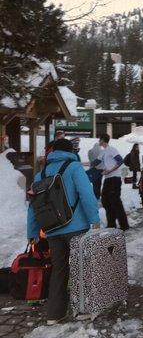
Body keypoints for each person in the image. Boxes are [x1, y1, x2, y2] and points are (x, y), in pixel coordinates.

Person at [27, 138, 100, 325]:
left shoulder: (40, 175)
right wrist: (95, 220)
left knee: (59, 270)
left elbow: (32, 208)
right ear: (71, 152)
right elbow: (86, 194)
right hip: (76, 228)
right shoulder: (74, 168)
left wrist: (33, 233)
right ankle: (82, 310)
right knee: (80, 268)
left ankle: (54, 314)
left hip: (52, 230)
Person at [92, 134, 129, 230]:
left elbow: (120, 161)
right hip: (108, 179)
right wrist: (79, 163)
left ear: (103, 140)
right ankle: (111, 224)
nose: (98, 141)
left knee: (115, 201)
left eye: (99, 139)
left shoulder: (112, 149)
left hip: (114, 178)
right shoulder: (103, 152)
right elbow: (95, 163)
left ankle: (124, 225)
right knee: (105, 200)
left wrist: (110, 170)